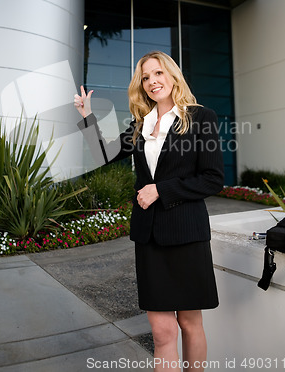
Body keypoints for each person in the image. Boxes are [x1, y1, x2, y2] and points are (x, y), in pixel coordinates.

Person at [74, 51, 224, 372]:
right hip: (150, 237)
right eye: (146, 77)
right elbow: (104, 153)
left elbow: (213, 179)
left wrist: (161, 189)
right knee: (161, 330)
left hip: (186, 234)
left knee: (188, 323)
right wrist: (87, 117)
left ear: (172, 75)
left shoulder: (200, 118)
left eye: (158, 74)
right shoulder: (141, 123)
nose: (153, 82)